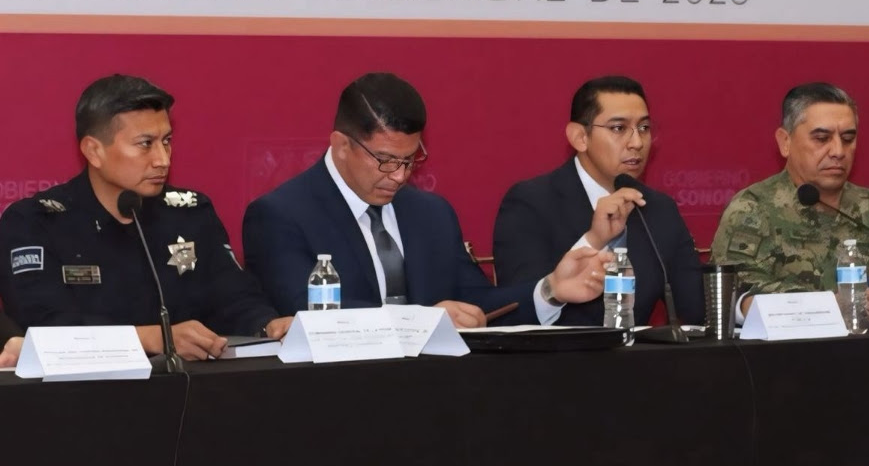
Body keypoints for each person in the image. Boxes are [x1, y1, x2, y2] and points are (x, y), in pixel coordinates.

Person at [243, 73, 609, 327]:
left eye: (410, 160)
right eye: (385, 160)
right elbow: (310, 314)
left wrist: (550, 290)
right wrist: (424, 321)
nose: (399, 176)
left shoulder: (431, 214)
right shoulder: (279, 215)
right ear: (341, 146)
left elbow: (474, 306)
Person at [0, 75, 290, 361]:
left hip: (194, 387)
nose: (163, 159)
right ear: (94, 151)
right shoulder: (36, 223)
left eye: (167, 141)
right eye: (145, 144)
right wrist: (154, 339)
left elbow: (235, 298)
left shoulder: (190, 213)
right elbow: (45, 326)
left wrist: (268, 325)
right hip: (85, 388)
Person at [711, 83, 869, 322]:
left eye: (848, 138)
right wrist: (824, 305)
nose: (838, 151)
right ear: (785, 142)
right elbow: (736, 293)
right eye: (821, 138)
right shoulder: (753, 209)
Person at [492, 76, 703, 326]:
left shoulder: (658, 208)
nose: (637, 143)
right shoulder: (530, 203)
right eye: (619, 128)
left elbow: (698, 308)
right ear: (580, 137)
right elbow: (514, 309)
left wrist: (741, 306)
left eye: (644, 128)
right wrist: (594, 240)